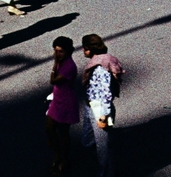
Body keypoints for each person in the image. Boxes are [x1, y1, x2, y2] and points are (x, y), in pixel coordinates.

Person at [78, 34, 120, 177]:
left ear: (89, 49)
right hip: (91, 106)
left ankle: (107, 173)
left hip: (100, 110)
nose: (83, 51)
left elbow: (105, 93)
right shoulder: (101, 60)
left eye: (84, 48)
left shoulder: (100, 68)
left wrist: (103, 115)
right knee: (87, 140)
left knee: (104, 150)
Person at [46, 36, 82, 174]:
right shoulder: (62, 62)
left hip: (66, 102)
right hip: (57, 99)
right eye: (55, 51)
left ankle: (64, 159)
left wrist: (55, 64)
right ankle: (57, 154)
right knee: (49, 127)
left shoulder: (69, 66)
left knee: (63, 133)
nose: (57, 54)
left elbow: (53, 80)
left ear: (68, 52)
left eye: (60, 51)